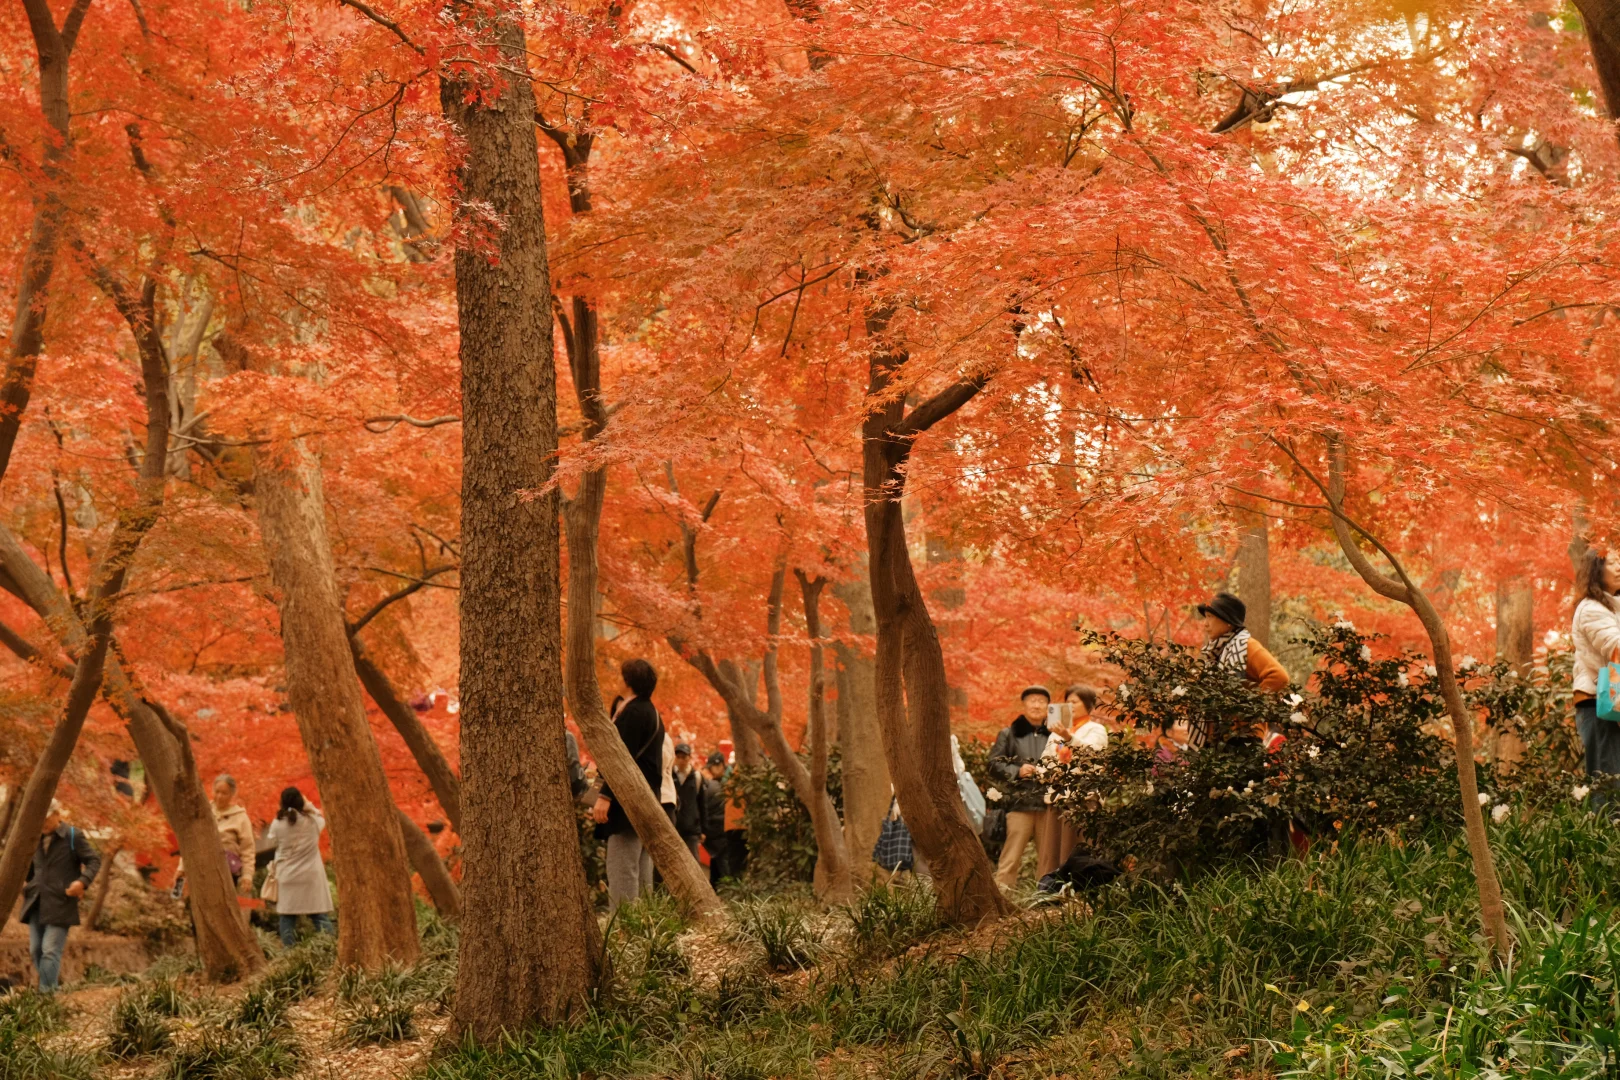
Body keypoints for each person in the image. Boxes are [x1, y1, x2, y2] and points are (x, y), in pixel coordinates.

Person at [592, 658, 665, 909]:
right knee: (642, 870)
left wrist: (603, 796)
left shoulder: (633, 713)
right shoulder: (651, 712)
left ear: (628, 682)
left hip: (626, 805)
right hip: (647, 800)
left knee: (623, 870)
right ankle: (644, 931)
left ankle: (623, 934)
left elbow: (619, 759)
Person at [22, 800, 100, 991]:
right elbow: (29, 868)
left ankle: (46, 997)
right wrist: (27, 884)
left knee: (50, 950)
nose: (43, 823)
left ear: (57, 815)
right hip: (36, 901)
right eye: (40, 819)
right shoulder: (34, 837)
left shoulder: (73, 836)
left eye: (47, 818)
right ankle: (50, 988)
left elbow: (93, 860)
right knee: (35, 950)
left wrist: (82, 882)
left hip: (61, 901)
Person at [989, 685, 1060, 889]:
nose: (1036, 705)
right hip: (1020, 804)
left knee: (1049, 859)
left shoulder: (1056, 734)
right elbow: (994, 763)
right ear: (1024, 704)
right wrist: (1016, 771)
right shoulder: (1009, 733)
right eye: (1032, 700)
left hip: (1048, 804)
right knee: (1010, 858)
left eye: (1041, 701)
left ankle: (1045, 901)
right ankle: (1002, 898)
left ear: (1048, 706)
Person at [1196, 592, 1289, 745]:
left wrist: (1252, 707)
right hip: (1216, 738)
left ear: (1228, 621)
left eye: (1210, 617)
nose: (1205, 623)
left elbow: (1279, 676)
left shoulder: (1246, 646)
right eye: (1205, 617)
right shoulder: (1216, 651)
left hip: (1243, 738)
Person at [1573, 548, 1620, 792]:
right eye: (1613, 563)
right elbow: (1616, 646)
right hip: (1599, 702)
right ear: (1596, 570)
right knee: (1607, 781)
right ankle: (1606, 830)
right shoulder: (1591, 609)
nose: (1619, 567)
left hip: (1612, 702)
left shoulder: (1612, 607)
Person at [264, 787, 334, 946]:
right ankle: (330, 947)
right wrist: (309, 805)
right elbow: (321, 817)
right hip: (311, 876)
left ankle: (289, 953)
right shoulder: (312, 822)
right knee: (319, 915)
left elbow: (273, 841)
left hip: (287, 875)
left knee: (287, 917)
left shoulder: (278, 823)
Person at [698, 751, 730, 883]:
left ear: (721, 765)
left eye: (713, 767)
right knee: (718, 865)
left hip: (720, 833)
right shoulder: (718, 783)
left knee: (724, 867)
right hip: (720, 833)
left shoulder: (723, 784)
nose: (712, 770)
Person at [671, 743, 702, 859]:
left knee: (693, 861)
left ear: (689, 757)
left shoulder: (697, 777)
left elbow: (702, 804)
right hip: (673, 825)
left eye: (684, 757)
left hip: (691, 828)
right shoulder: (669, 775)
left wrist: (702, 830)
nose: (681, 761)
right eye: (678, 757)